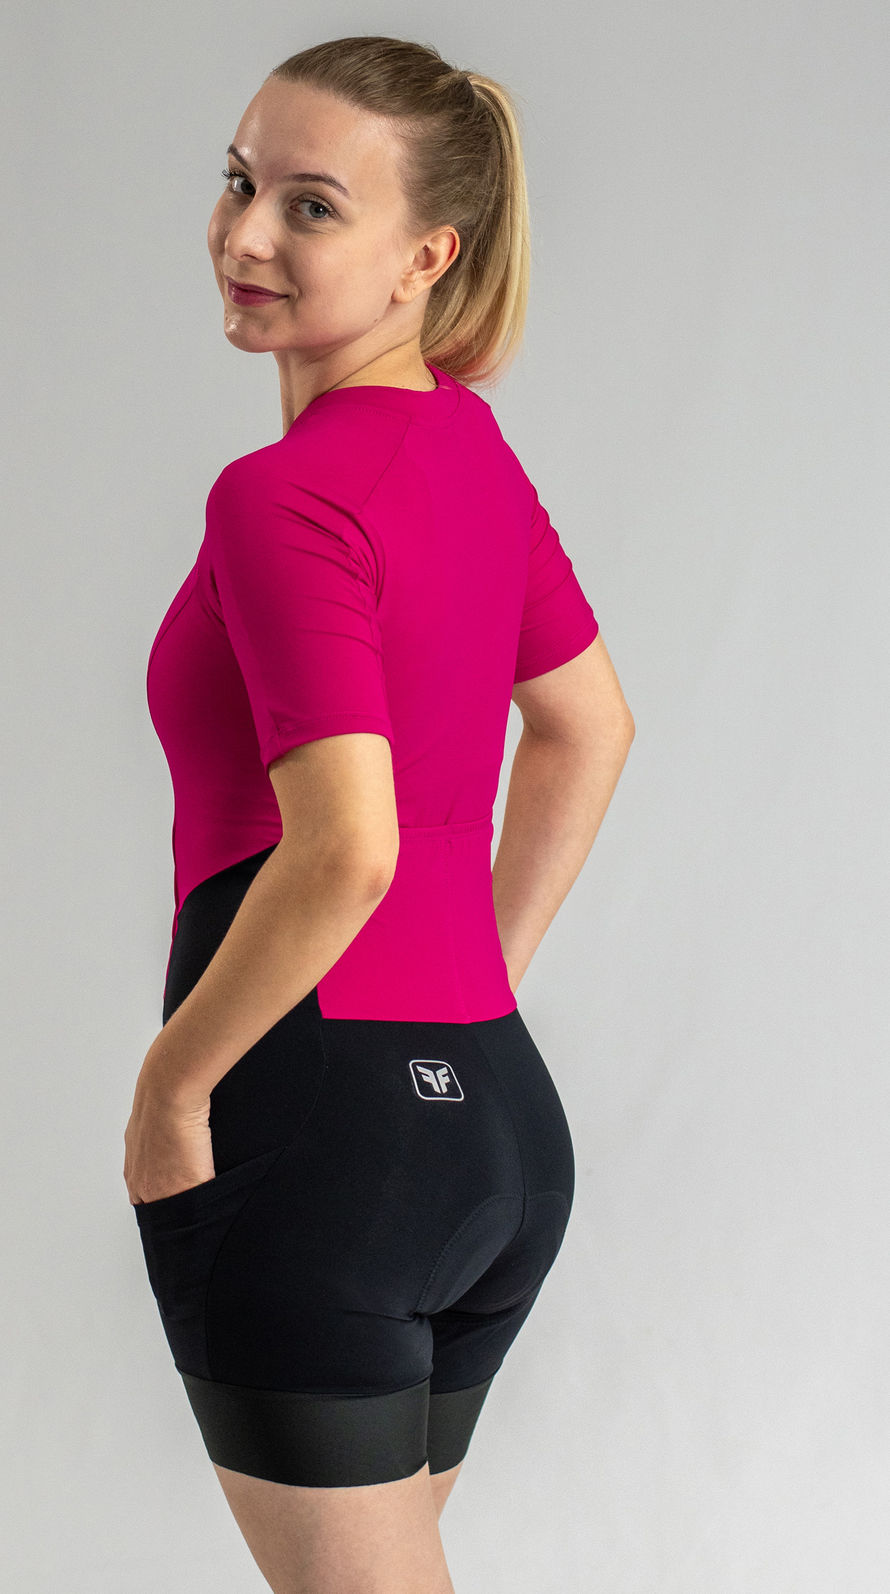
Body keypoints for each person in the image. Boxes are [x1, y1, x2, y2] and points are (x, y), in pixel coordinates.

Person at [123, 33, 634, 1594]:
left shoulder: (279, 496)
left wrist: (173, 1087)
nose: (244, 234)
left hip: (318, 1138)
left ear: (428, 258)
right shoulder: (466, 448)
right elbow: (588, 726)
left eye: (311, 206)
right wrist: (480, 982)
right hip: (489, 1126)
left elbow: (347, 841)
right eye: (239, 182)